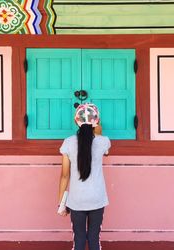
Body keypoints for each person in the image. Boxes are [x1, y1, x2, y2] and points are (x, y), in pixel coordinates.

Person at [58, 103, 111, 250]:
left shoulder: (68, 143)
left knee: (79, 240)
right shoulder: (103, 141)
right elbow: (104, 148)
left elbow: (64, 175)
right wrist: (97, 128)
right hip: (97, 198)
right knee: (94, 240)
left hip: (76, 200)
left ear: (76, 121)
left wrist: (61, 203)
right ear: (97, 121)